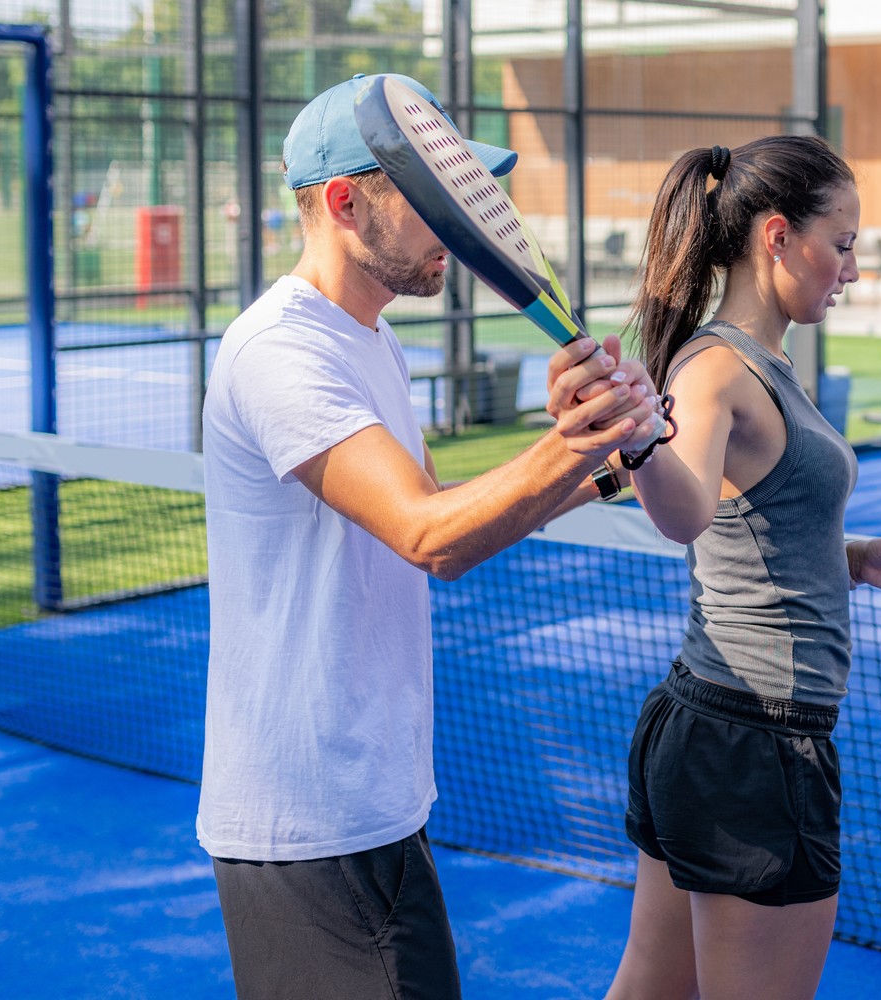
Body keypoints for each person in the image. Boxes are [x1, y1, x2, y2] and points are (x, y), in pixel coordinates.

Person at [196, 73, 665, 999]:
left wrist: (608, 466)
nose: (457, 225)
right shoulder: (281, 349)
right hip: (312, 821)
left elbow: (434, 504)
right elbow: (429, 537)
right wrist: (577, 436)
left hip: (373, 804)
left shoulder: (370, 338)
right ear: (342, 203)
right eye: (429, 201)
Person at [596, 136, 881, 1000]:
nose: (854, 269)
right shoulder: (718, 371)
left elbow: (754, 523)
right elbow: (686, 513)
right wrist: (639, 439)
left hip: (706, 725)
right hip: (756, 743)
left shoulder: (757, 361)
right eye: (844, 243)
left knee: (650, 987)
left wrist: (859, 559)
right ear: (778, 236)